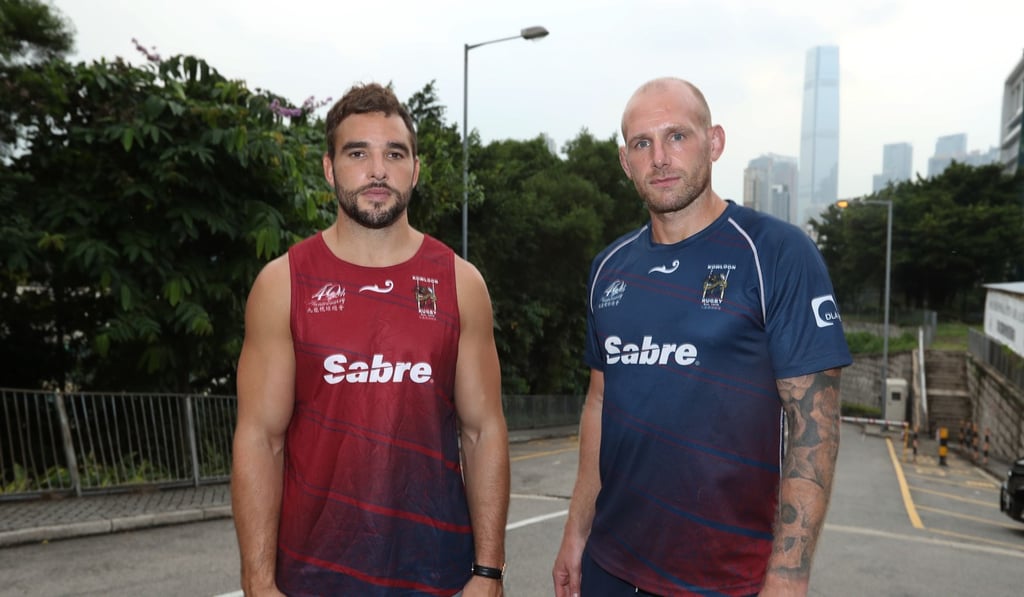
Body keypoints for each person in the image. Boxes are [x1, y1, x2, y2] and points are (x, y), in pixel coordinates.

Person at [552, 77, 852, 597]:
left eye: (678, 136)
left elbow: (814, 428)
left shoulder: (776, 253)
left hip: (725, 579)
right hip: (611, 568)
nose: (660, 158)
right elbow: (600, 406)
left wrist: (788, 575)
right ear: (626, 162)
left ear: (714, 142)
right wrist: (576, 533)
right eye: (642, 144)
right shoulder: (609, 270)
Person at [231, 82, 510, 597]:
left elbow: (483, 430)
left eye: (394, 154)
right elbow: (259, 439)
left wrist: (489, 572)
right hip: (312, 578)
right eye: (358, 152)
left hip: (440, 577)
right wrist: (257, 581)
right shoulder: (283, 283)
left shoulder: (460, 282)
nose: (378, 170)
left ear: (416, 170)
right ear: (329, 168)